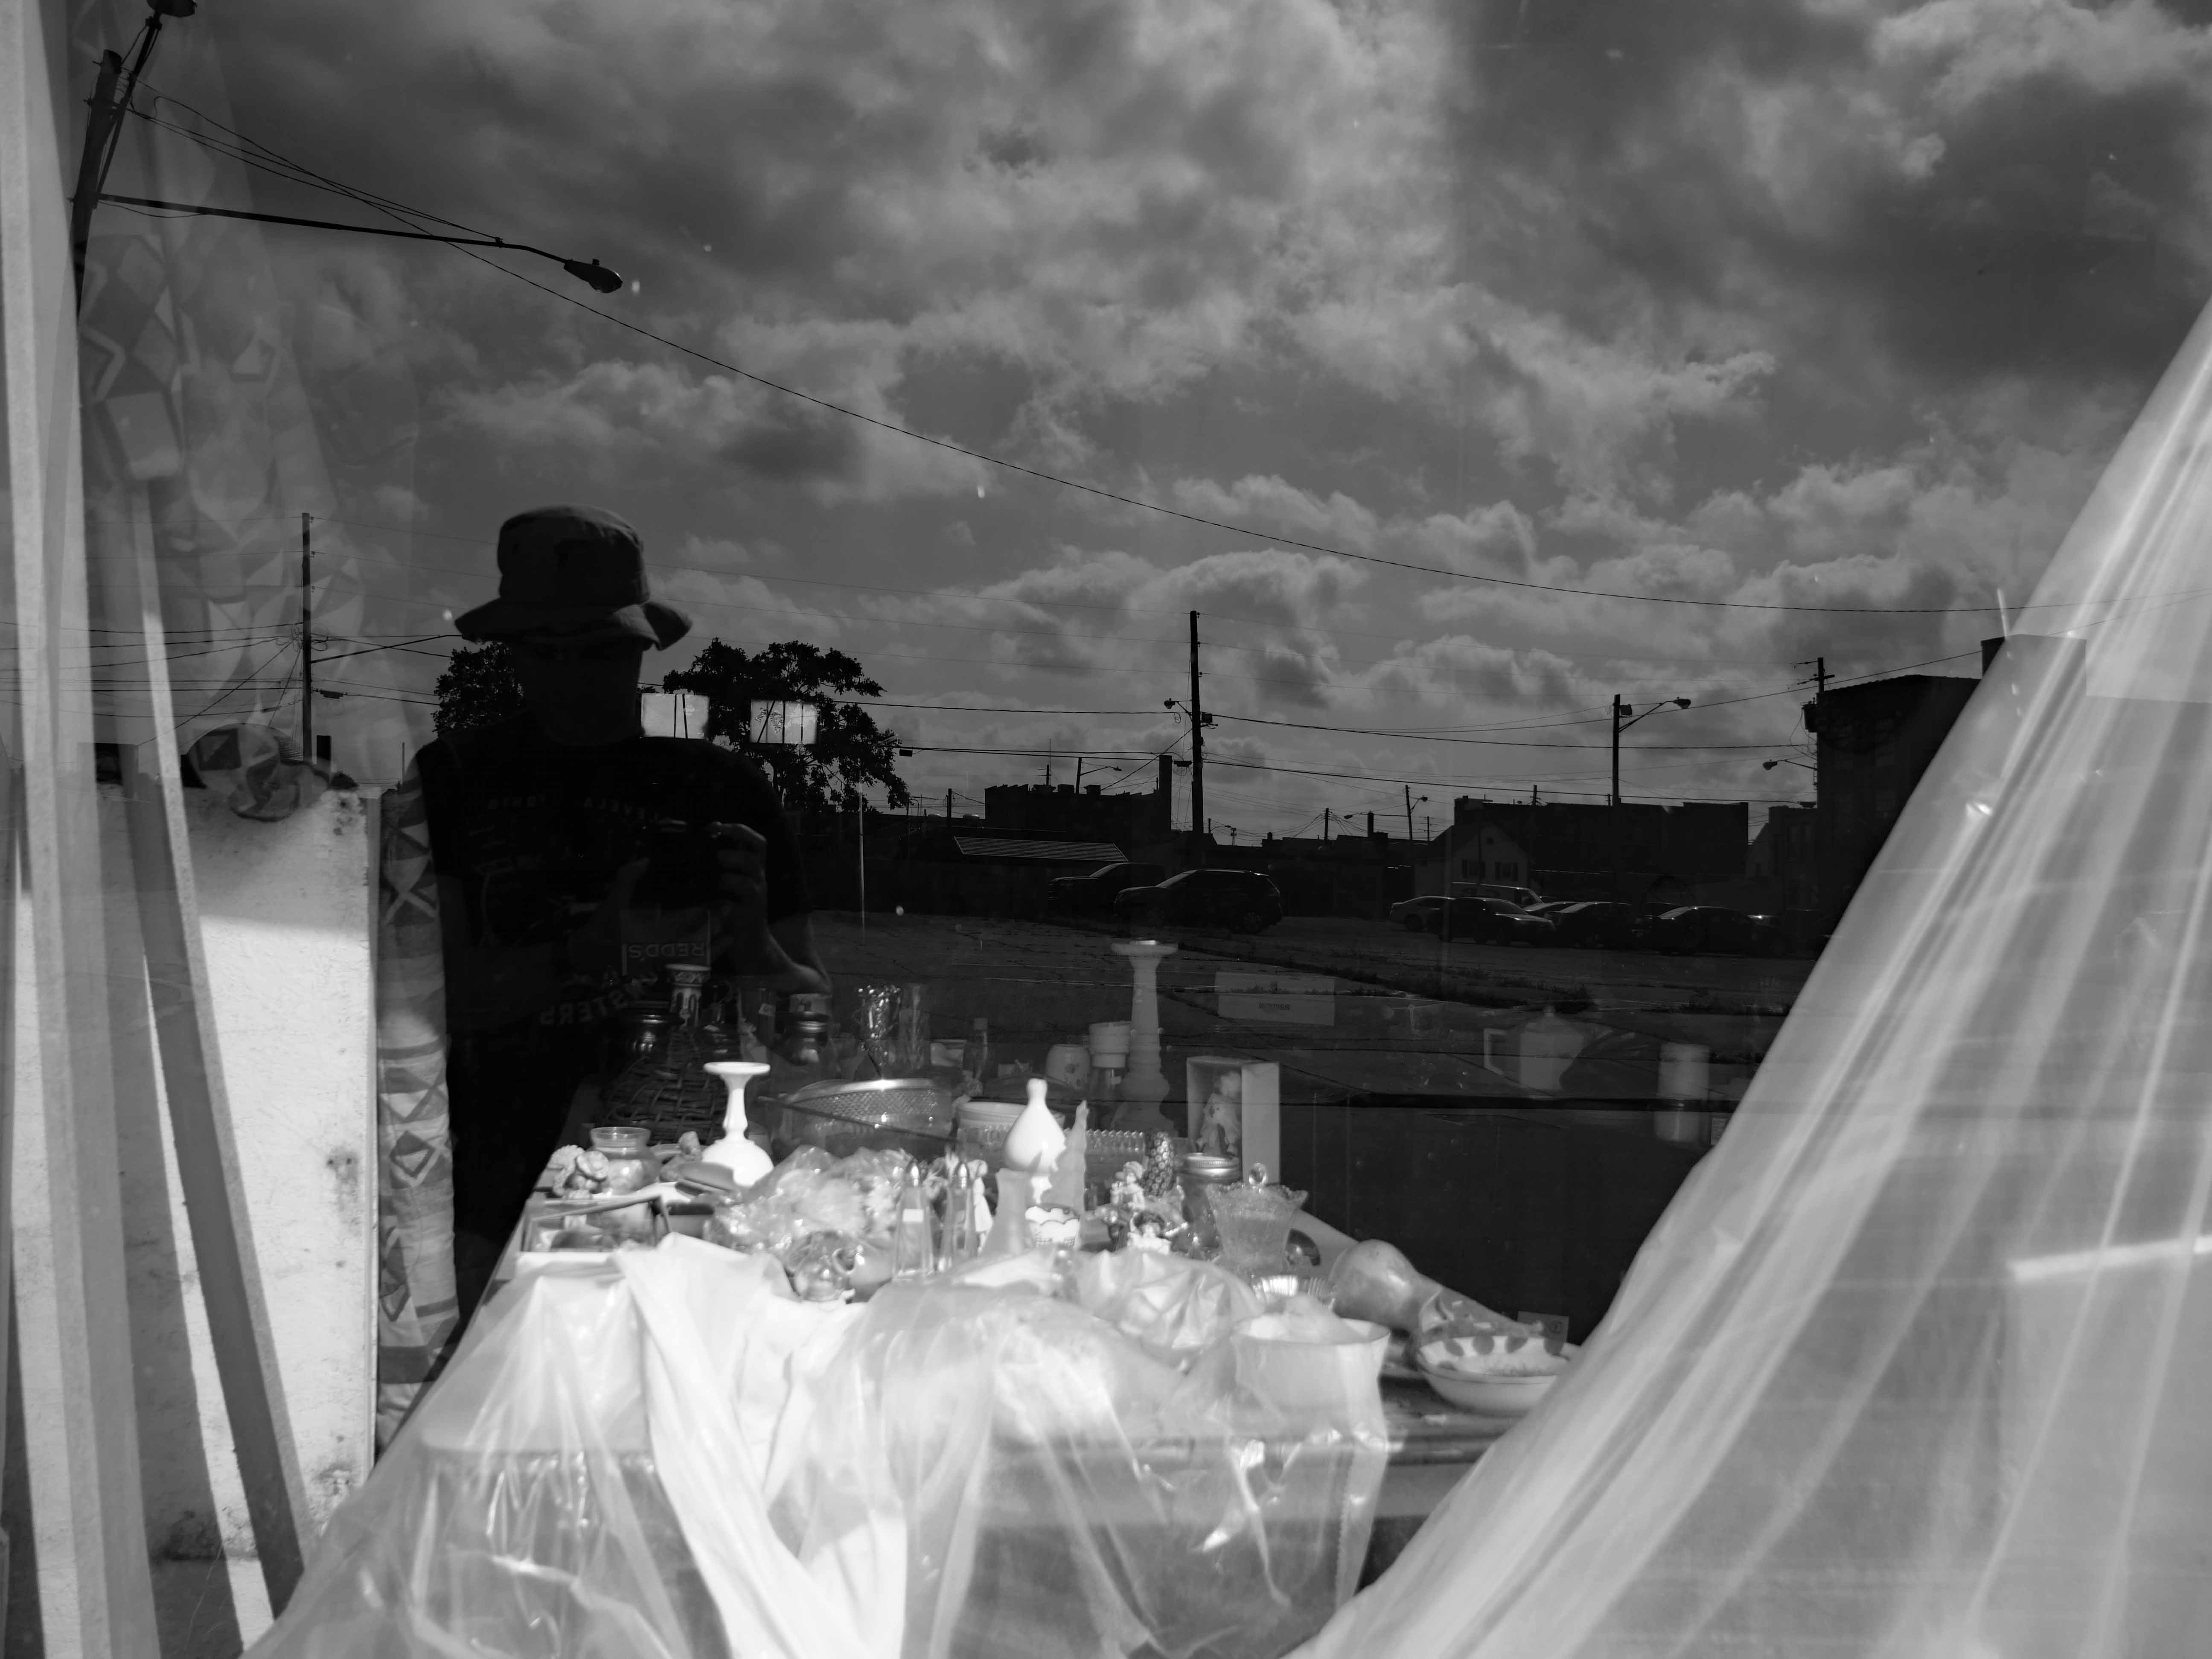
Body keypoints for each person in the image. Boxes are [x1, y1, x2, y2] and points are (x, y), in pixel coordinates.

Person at [416, 505, 829, 1316]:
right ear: (513, 650)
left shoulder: (722, 787)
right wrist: (588, 949)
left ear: (641, 650)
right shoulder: (457, 778)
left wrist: (754, 944)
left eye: (600, 650)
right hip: (493, 1175)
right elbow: (426, 1006)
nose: (574, 674)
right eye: (548, 649)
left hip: (694, 1180)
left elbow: (808, 1018)